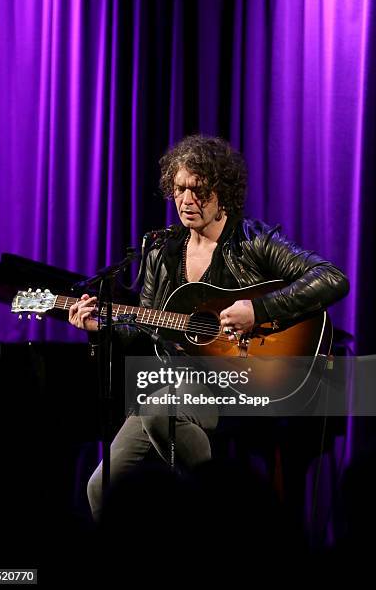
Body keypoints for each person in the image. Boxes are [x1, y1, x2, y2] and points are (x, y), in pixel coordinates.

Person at [68, 134, 349, 522]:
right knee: (101, 487)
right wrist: (102, 327)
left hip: (248, 381)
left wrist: (259, 308)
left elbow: (331, 278)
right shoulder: (161, 252)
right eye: (180, 189)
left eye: (198, 191)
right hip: (181, 382)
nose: (186, 201)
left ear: (222, 193)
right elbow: (147, 326)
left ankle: (219, 514)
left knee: (159, 408)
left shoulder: (252, 240)